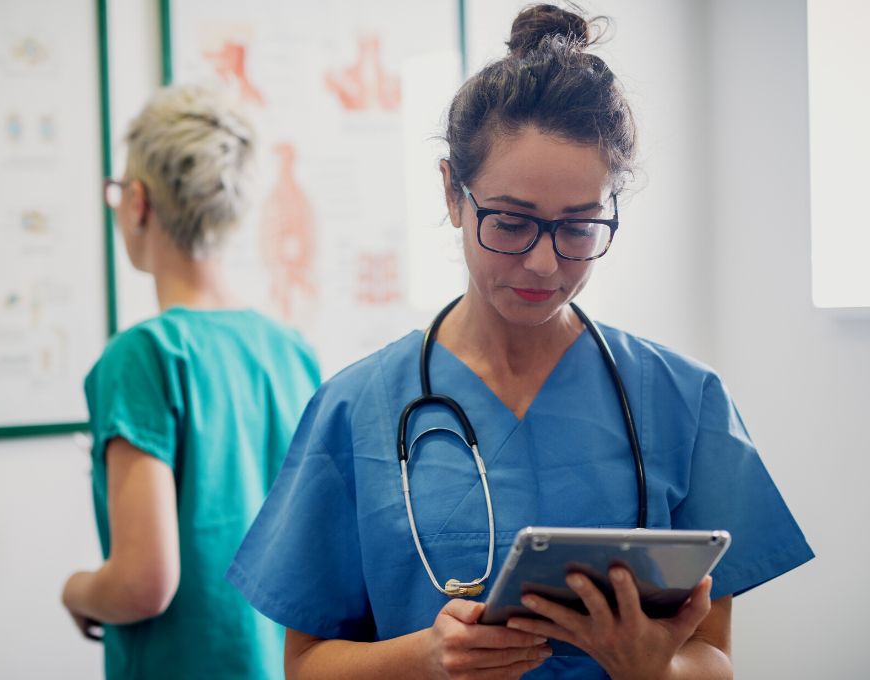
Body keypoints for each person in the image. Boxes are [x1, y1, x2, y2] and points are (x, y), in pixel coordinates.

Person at [226, 5, 813, 679]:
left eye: (579, 227)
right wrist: (428, 656)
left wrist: (656, 668)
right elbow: (305, 667)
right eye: (510, 222)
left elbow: (712, 655)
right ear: (453, 193)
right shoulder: (357, 407)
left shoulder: (684, 399)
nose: (543, 263)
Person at [61, 84, 320, 680]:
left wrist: (75, 591)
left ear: (139, 203)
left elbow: (140, 584)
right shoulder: (291, 349)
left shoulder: (142, 356)